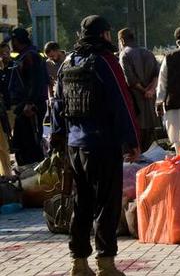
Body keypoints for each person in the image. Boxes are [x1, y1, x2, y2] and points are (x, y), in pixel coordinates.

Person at [51, 15, 139, 276]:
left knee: (82, 203)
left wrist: (58, 140)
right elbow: (122, 102)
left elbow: (56, 105)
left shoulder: (67, 62)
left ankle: (78, 262)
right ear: (104, 35)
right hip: (102, 145)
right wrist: (132, 141)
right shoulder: (105, 61)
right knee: (106, 204)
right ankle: (106, 263)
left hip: (74, 146)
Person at [7, 27, 48, 166]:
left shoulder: (31, 56)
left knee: (30, 145)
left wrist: (29, 103)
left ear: (17, 40)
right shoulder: (24, 56)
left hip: (30, 108)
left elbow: (36, 82)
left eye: (12, 41)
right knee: (21, 144)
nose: (11, 44)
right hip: (23, 107)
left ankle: (35, 177)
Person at [118, 28, 161, 150]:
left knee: (138, 145)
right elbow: (157, 74)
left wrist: (144, 91)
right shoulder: (148, 52)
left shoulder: (124, 54)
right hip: (151, 103)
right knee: (151, 146)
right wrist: (152, 89)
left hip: (136, 104)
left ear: (122, 40)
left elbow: (130, 80)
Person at [0, 43, 13, 177]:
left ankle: (6, 173)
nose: (5, 55)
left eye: (6, 52)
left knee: (3, 145)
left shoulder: (12, 66)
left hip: (6, 109)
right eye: (2, 53)